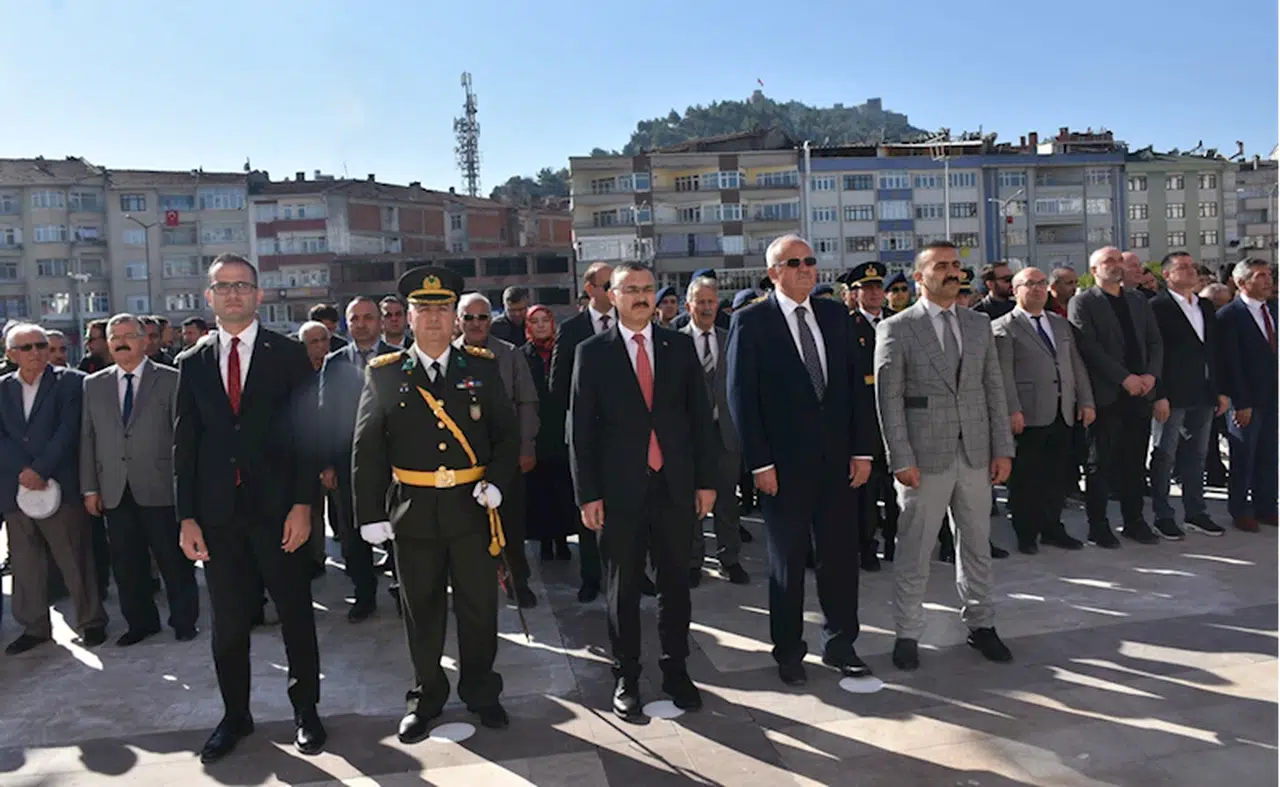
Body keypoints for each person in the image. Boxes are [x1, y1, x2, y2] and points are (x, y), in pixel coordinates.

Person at [352, 265, 519, 742]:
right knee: (421, 610)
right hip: (414, 512)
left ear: (455, 317)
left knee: (478, 608)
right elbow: (367, 447)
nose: (432, 319)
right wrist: (370, 514)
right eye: (422, 310)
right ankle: (426, 697)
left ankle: (482, 692)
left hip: (470, 509)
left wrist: (497, 482)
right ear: (406, 317)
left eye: (441, 309)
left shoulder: (480, 369)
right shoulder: (385, 375)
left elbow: (506, 436)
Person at [173, 253, 325, 762]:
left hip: (279, 510)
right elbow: (185, 444)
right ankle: (235, 716)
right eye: (224, 286)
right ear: (208, 297)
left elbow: (308, 437)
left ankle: (306, 710)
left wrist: (304, 505)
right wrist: (186, 516)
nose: (234, 294)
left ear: (259, 295)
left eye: (243, 286)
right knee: (229, 625)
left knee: (296, 615)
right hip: (218, 517)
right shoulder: (191, 362)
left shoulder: (288, 355)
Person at [571, 261, 717, 721]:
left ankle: (676, 670)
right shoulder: (592, 353)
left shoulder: (679, 348)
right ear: (611, 297)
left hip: (674, 485)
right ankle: (626, 675)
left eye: (648, 289)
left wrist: (706, 482)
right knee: (623, 587)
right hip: (619, 491)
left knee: (676, 584)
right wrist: (587, 494)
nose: (640, 296)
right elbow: (579, 430)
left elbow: (700, 421)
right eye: (630, 289)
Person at [728, 235, 876, 686]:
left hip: (837, 463)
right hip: (782, 467)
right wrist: (759, 464)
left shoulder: (834, 315)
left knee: (839, 559)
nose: (806, 268)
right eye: (795, 263)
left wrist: (863, 450)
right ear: (773, 273)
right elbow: (741, 399)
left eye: (811, 261)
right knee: (788, 563)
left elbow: (856, 388)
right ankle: (789, 650)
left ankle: (841, 643)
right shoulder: (751, 322)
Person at [874, 240, 1015, 672]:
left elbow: (994, 387)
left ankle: (981, 623)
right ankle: (908, 632)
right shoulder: (897, 328)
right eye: (941, 266)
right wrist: (900, 458)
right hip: (923, 458)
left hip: (974, 454)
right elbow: (889, 399)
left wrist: (1002, 448)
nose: (953, 272)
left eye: (956, 265)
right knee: (914, 550)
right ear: (920, 276)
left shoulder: (976, 325)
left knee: (976, 545)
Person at [80, 313, 199, 644]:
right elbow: (87, 438)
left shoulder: (172, 379)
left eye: (128, 335)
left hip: (161, 486)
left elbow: (185, 438)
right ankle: (141, 623)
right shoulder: (93, 384)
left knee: (172, 560)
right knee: (127, 563)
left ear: (146, 340)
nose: (120, 341)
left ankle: (184, 620)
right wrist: (90, 487)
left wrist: (185, 486)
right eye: (114, 336)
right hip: (115, 488)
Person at [1, 324, 108, 654]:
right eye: (27, 347)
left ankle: (91, 622)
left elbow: (68, 428)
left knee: (74, 558)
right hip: (17, 489)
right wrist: (25, 471)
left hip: (59, 486)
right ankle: (34, 627)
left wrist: (41, 469)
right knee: (25, 562)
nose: (35, 352)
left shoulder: (71, 382)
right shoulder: (2, 388)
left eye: (40, 345)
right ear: (10, 355)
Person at [992, 268, 1095, 554]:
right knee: (1027, 479)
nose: (1037, 289)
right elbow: (1002, 374)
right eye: (1029, 284)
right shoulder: (1003, 327)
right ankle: (1026, 532)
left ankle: (1052, 527)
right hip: (1028, 415)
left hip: (1062, 412)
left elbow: (1075, 365)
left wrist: (1086, 400)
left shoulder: (1059, 325)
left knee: (1057, 475)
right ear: (1015, 290)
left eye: (1041, 284)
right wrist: (1012, 409)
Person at [1068, 246, 1164, 547]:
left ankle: (1134, 521)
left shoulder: (1137, 300)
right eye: (1108, 261)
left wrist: (1150, 376)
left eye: (1118, 260)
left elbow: (1154, 341)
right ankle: (1099, 525)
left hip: (1141, 394)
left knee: (1135, 462)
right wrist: (1124, 379)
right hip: (1107, 395)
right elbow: (1089, 349)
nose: (1116, 265)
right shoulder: (1083, 302)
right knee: (1100, 464)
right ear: (1094, 270)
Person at [454, 292, 540, 608]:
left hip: (505, 456)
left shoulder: (509, 354)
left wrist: (527, 446)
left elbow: (527, 401)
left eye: (482, 317)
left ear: (491, 320)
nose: (476, 323)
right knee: (465, 527)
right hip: (461, 459)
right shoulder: (447, 356)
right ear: (458, 320)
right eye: (469, 317)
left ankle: (517, 579)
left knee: (511, 524)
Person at [318, 297, 399, 621]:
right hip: (348, 464)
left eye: (368, 317)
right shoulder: (334, 362)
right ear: (346, 324)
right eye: (355, 319)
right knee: (353, 536)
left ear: (380, 322)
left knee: (398, 531)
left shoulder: (397, 359)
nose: (361, 324)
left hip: (394, 465)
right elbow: (325, 416)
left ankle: (403, 592)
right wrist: (326, 464)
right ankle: (364, 594)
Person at [1147, 253, 1228, 538]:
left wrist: (1220, 390)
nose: (1191, 272)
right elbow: (1155, 355)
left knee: (1198, 455)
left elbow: (1214, 351)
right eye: (1183, 267)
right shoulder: (1157, 307)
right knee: (1165, 454)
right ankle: (1163, 514)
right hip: (1172, 394)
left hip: (1203, 392)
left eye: (1193, 267)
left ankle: (1196, 511)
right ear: (1167, 275)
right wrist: (1159, 394)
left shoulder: (1204, 306)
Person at [549, 262, 616, 602]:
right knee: (590, 507)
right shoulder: (572, 329)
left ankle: (630, 573)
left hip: (626, 438)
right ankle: (591, 577)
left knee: (631, 510)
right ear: (590, 289)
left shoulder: (631, 324)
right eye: (607, 285)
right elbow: (558, 385)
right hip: (588, 436)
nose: (613, 291)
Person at [681, 275, 748, 585]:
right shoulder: (674, 342)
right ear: (688, 305)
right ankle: (694, 561)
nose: (707, 308)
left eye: (711, 301)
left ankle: (729, 558)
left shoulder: (731, 339)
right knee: (690, 502)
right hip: (688, 439)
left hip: (725, 435)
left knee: (727, 502)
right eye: (701, 302)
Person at [837, 262, 898, 570]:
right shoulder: (847, 326)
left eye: (878, 287)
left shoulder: (898, 321)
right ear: (855, 293)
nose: (875, 293)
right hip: (865, 419)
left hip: (897, 417)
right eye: (867, 288)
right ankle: (866, 547)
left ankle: (893, 541)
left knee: (898, 486)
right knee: (865, 492)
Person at [1217, 259, 1279, 532]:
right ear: (1242, 283)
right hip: (1246, 400)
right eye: (1260, 276)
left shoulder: (1274, 310)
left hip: (1272, 397)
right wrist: (1241, 403)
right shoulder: (1230, 315)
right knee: (1244, 456)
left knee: (1268, 455)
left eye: (1269, 275)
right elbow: (1230, 363)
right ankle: (1240, 510)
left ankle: (1267, 507)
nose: (1268, 281)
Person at [520, 305, 576, 561]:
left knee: (562, 489)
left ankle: (562, 540)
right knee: (539, 491)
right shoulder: (522, 355)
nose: (541, 325)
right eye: (535, 321)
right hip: (534, 432)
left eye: (545, 320)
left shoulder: (562, 350)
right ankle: (544, 541)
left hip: (559, 430)